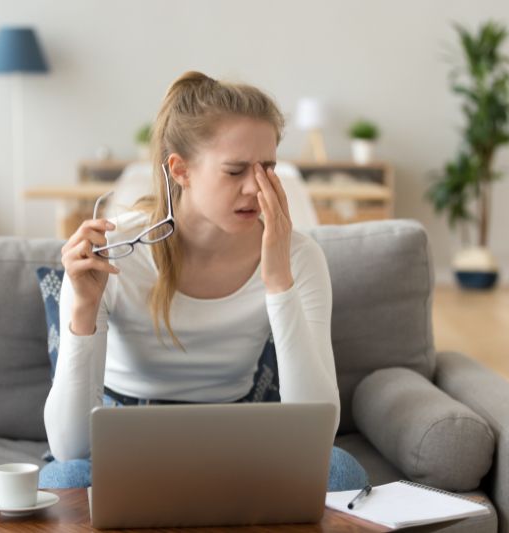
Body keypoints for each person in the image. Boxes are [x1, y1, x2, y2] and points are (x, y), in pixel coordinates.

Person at [40, 71, 368, 491]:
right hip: (125, 438)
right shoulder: (113, 250)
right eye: (235, 171)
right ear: (180, 170)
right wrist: (83, 310)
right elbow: (69, 446)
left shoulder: (297, 256)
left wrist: (278, 282)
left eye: (267, 168)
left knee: (339, 472)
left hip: (236, 435)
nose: (256, 187)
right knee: (66, 478)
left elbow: (318, 434)